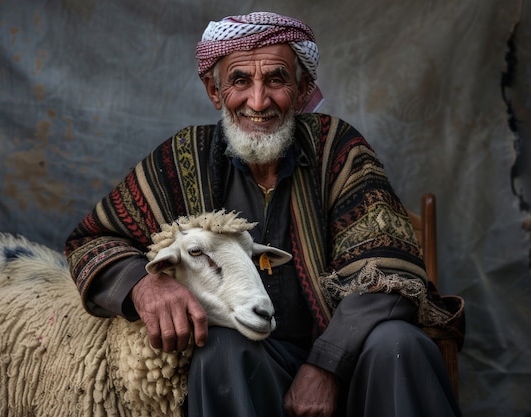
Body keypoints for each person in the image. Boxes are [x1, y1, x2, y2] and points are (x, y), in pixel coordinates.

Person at [65, 11, 464, 417]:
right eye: (240, 80)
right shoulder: (182, 158)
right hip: (250, 365)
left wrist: (326, 366)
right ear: (214, 90)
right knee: (219, 351)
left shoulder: (337, 150)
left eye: (276, 79)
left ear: (303, 87)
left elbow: (389, 270)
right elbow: (91, 240)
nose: (258, 101)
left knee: (398, 343)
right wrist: (144, 286)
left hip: (350, 363)